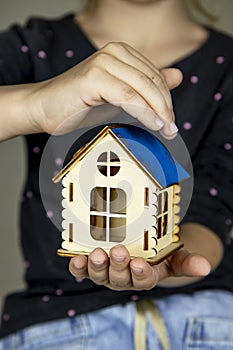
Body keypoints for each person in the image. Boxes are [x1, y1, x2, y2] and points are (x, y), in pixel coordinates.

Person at [0, 0, 232, 349]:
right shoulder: (31, 46)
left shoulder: (227, 65)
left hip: (209, 317)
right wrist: (35, 104)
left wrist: (168, 259)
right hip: (58, 321)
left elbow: (214, 206)